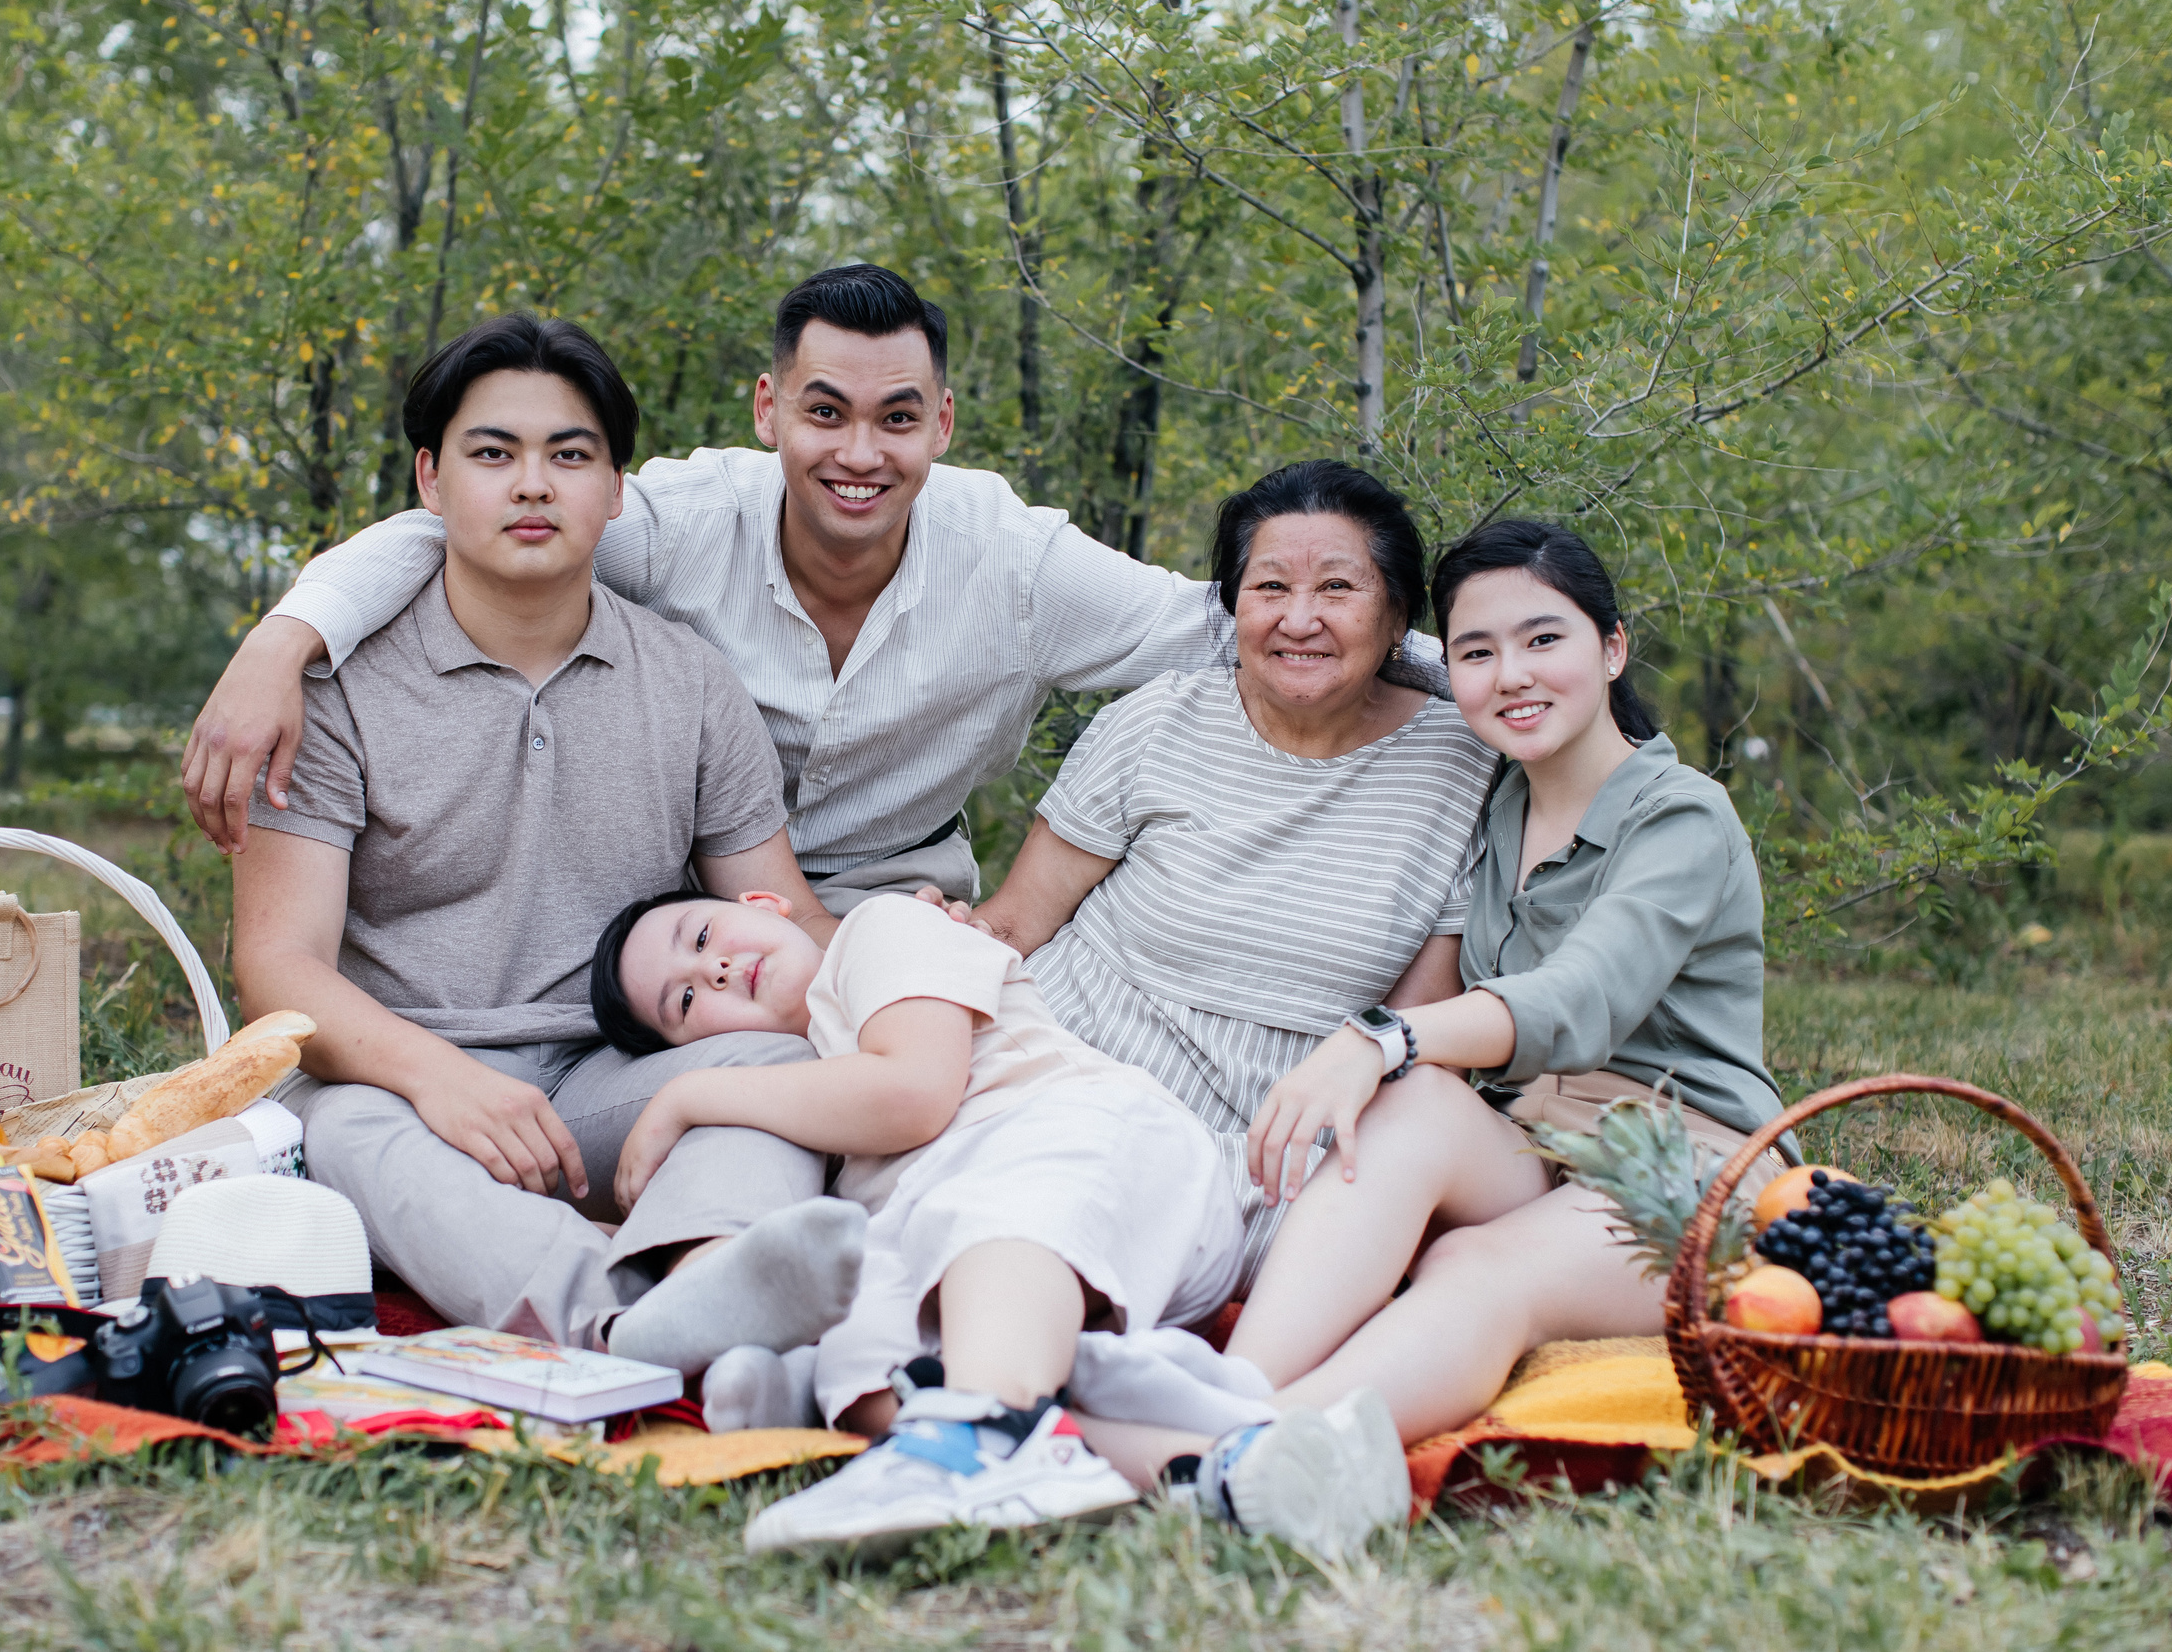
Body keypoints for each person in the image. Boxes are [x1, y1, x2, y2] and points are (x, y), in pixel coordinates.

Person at [181, 264, 1449, 912]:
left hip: (899, 900)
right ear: (769, 408)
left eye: (896, 419)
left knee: (905, 1092)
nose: (859, 454)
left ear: (942, 423)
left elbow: (1237, 624)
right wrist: (278, 645)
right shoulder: (678, 522)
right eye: (826, 412)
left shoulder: (1015, 562)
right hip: (673, 903)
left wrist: (1495, 679)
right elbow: (455, 526)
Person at [1065, 519, 1791, 1560]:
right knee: (1410, 1108)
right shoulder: (1497, 801)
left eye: (1545, 641)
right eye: (1477, 651)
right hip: (1537, 1151)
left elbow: (1577, 1000)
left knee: (1477, 1263)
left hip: (1685, 1174)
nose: (1511, 676)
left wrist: (1376, 1037)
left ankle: (1242, 1450)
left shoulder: (1681, 817)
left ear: (1612, 649)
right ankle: (1240, 1389)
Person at [233, 312, 867, 1369]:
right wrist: (439, 1077)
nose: (533, 485)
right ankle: (624, 1320)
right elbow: (279, 966)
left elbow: (784, 917)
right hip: (395, 1078)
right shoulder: (330, 690)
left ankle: (719, 1269)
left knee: (777, 1059)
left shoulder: (690, 682)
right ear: (431, 484)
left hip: (600, 1080)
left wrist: (931, 970)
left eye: (569, 457)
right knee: (333, 1135)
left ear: (614, 492)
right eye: (495, 454)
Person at [936, 462, 1498, 1283]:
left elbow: (1413, 1042)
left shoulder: (1462, 769)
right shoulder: (1159, 718)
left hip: (1263, 1146)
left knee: (1096, 1235)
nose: (1297, 619)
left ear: (1397, 618)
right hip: (1058, 1066)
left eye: (1337, 588)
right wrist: (945, 941)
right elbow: (1017, 923)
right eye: (1269, 586)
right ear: (1233, 605)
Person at [587, 885, 1276, 1554]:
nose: (716, 968)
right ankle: (1208, 1465)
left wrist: (687, 1096)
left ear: (762, 904)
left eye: (703, 936)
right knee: (860, 1353)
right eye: (685, 1000)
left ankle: (976, 1432)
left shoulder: (879, 930)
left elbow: (915, 1091)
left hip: (1085, 1144)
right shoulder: (798, 1090)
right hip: (960, 1234)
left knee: (991, 1209)